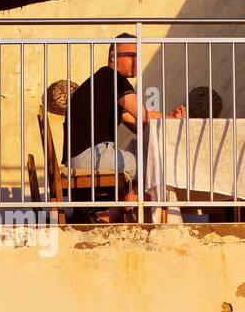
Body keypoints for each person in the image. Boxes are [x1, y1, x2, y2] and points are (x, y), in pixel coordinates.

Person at [62, 33, 183, 215]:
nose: (136, 60)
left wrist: (167, 117)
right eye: (130, 55)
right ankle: (121, 213)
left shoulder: (104, 84)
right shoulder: (111, 77)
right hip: (91, 155)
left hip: (84, 155)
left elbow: (136, 124)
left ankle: (117, 211)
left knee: (144, 161)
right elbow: (142, 115)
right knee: (154, 165)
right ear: (113, 56)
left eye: (138, 56)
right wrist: (170, 118)